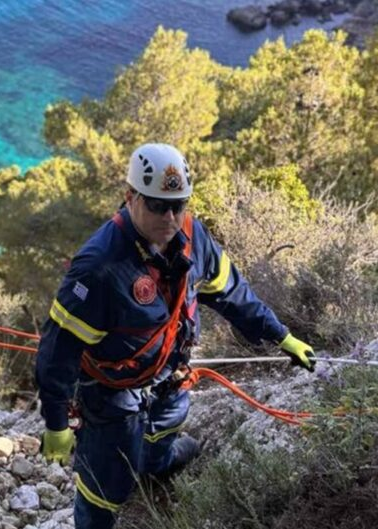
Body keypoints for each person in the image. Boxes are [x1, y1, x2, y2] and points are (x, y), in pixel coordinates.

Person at [35, 143, 315, 529]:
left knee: (163, 433)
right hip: (112, 391)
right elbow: (58, 352)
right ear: (131, 196)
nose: (169, 217)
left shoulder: (193, 236)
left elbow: (232, 292)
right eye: (156, 205)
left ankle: (158, 464)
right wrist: (56, 423)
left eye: (178, 204)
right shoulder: (98, 268)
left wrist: (281, 336)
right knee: (106, 486)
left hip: (170, 378)